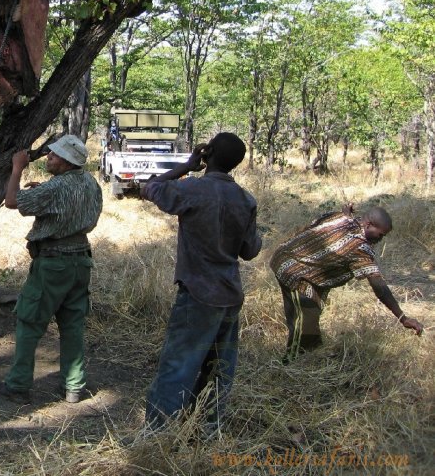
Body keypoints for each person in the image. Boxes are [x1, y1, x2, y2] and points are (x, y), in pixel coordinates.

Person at [140, 133, 262, 431]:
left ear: (207, 154)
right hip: (230, 294)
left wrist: (187, 166)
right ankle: (205, 430)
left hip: (197, 293)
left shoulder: (193, 189)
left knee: (178, 365)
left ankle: (158, 433)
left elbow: (150, 187)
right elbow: (250, 250)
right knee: (219, 369)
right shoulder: (246, 199)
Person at [0, 135, 103, 405]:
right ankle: (74, 385)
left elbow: (11, 201)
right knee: (72, 324)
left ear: (67, 162)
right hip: (81, 261)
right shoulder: (90, 183)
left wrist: (17, 167)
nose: (48, 158)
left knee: (29, 321)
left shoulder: (54, 189)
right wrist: (43, 190)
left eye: (54, 155)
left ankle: (18, 385)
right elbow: (68, 199)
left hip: (53, 264)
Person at [271, 206, 424, 361]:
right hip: (294, 271)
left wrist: (346, 213)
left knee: (311, 315)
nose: (380, 239)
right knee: (304, 322)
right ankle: (291, 364)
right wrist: (403, 318)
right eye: (380, 235)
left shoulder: (341, 217)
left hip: (289, 260)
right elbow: (380, 288)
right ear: (369, 225)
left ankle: (312, 356)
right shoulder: (359, 247)